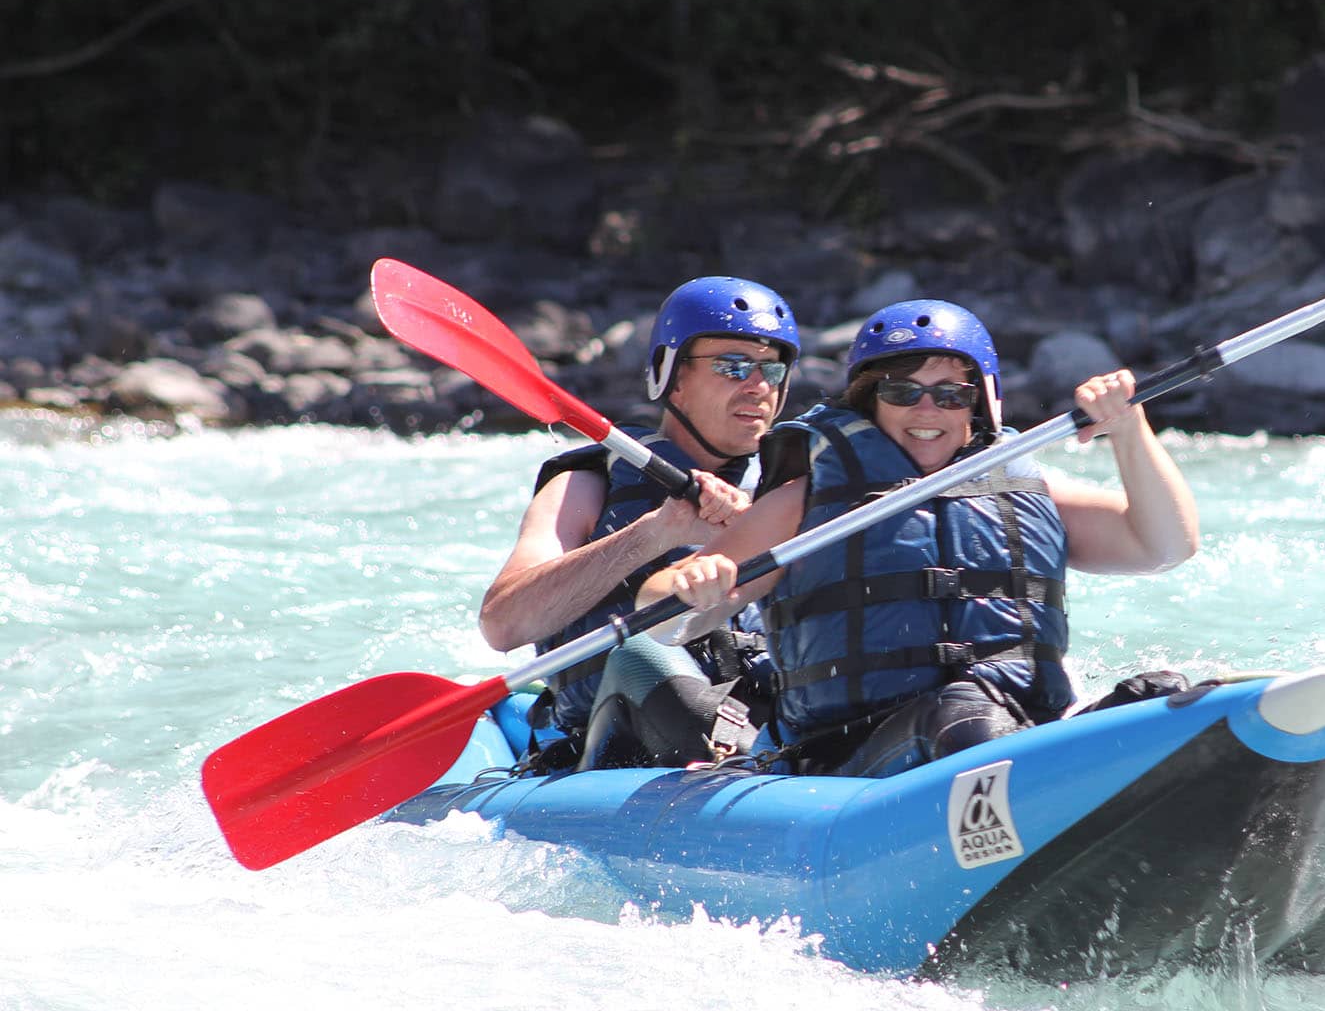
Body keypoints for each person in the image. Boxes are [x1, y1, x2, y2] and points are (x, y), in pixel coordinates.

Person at [634, 298, 1200, 777]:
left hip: (1014, 733)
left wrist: (1129, 429)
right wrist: (693, 584)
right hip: (851, 755)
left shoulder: (1028, 490)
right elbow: (661, 617)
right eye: (903, 392)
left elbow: (1165, 545)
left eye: (950, 395)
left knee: (1160, 696)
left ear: (978, 404)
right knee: (965, 713)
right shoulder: (803, 502)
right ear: (870, 402)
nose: (927, 410)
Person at [477, 276, 801, 770]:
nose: (758, 386)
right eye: (732, 366)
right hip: (617, 735)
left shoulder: (789, 493)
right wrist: (656, 533)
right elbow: (503, 624)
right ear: (673, 376)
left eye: (772, 370)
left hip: (761, 726)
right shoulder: (585, 485)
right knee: (644, 654)